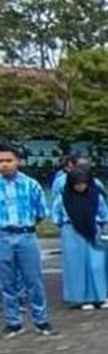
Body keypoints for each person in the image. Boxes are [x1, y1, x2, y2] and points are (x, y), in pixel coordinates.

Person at [0, 143, 56, 337]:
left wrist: (28, 225)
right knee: (6, 282)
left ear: (18, 161)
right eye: (1, 161)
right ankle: (13, 322)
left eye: (9, 160)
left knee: (33, 280)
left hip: (26, 235)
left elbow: (41, 212)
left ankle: (41, 320)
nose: (5, 165)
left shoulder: (31, 185)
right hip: (2, 237)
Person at [52, 167, 108, 310]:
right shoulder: (63, 198)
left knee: (96, 265)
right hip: (71, 232)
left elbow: (105, 215)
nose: (80, 186)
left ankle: (100, 297)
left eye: (83, 183)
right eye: (77, 183)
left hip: (93, 231)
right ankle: (82, 298)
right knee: (77, 266)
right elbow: (56, 217)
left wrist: (102, 229)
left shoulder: (96, 196)